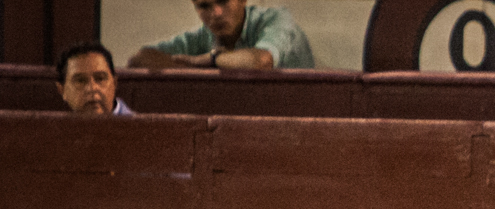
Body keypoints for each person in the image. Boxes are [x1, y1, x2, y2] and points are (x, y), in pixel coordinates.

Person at [127, 0, 314, 70]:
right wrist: (193, 69)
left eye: (223, 1)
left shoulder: (276, 18)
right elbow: (140, 59)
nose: (216, 13)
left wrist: (211, 60)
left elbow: (260, 61)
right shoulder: (201, 36)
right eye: (204, 6)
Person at [56, 42, 134, 116]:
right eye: (80, 81)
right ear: (62, 90)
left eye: (100, 79)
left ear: (115, 83)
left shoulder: (140, 127)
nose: (92, 88)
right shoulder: (54, 128)